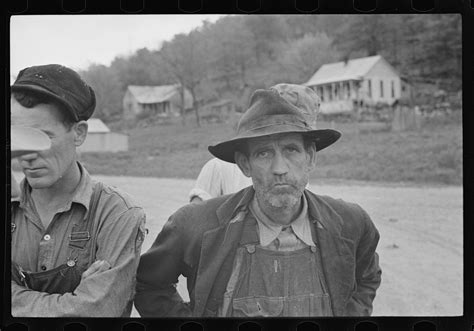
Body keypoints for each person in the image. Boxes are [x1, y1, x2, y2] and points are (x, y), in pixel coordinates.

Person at [134, 83, 382, 317]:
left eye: (291, 150)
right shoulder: (194, 226)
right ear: (245, 164)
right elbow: (149, 284)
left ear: (311, 158)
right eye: (264, 153)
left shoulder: (350, 223)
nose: (279, 168)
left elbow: (367, 278)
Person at [10, 64, 146, 317]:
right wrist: (73, 301)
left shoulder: (117, 214)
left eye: (42, 136)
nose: (26, 155)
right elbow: (81, 308)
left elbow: (97, 312)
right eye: (18, 137)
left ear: (79, 133)